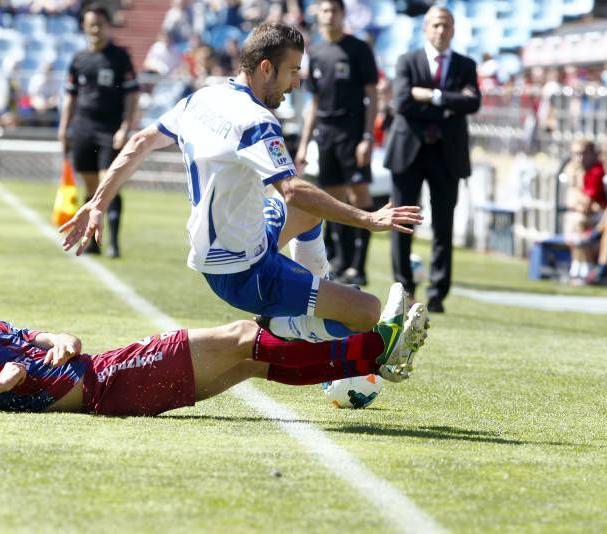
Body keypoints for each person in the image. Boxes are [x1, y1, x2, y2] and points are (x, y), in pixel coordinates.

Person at [60, 22, 424, 350]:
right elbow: (292, 189)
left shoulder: (203, 97)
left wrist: (97, 202)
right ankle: (287, 324)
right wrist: (369, 218)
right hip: (246, 273)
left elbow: (140, 142)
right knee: (366, 311)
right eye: (293, 71)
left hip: (216, 252)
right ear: (267, 67)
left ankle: (313, 295)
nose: (296, 83)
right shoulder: (256, 121)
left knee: (308, 212)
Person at [0, 266, 429, 413]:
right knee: (242, 335)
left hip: (102, 372)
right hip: (105, 385)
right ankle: (376, 348)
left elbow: (43, 335)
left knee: (251, 362)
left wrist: (61, 337)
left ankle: (375, 359)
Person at [383, 6, 481, 313]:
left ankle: (438, 292)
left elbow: (473, 102)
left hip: (446, 155)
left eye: (446, 25)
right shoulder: (407, 61)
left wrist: (432, 96)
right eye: (436, 25)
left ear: (453, 30)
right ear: (426, 28)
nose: (441, 30)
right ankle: (404, 288)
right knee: (402, 221)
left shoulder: (465, 65)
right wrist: (450, 106)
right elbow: (401, 102)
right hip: (408, 152)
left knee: (443, 225)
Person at [295, 0, 379, 286]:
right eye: (325, 10)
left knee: (360, 197)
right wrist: (305, 144)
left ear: (343, 14)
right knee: (332, 200)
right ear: (318, 14)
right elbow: (315, 103)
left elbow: (372, 95)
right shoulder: (316, 52)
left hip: (353, 132)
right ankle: (341, 263)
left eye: (335, 10)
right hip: (326, 134)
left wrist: (367, 137)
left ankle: (360, 265)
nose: (330, 15)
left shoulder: (358, 49)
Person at [57, 4, 140, 258]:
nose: (95, 29)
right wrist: (64, 127)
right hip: (83, 129)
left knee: (109, 183)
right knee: (92, 186)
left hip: (109, 130)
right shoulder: (79, 59)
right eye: (90, 25)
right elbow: (70, 96)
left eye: (99, 25)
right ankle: (92, 241)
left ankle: (113, 242)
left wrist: (125, 127)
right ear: (84, 26)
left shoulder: (119, 57)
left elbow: (132, 94)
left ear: (107, 26)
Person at [562, 139, 606, 282]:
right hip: (589, 215)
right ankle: (579, 267)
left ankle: (587, 269)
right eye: (576, 154)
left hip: (599, 216)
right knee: (575, 222)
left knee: (580, 223)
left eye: (584, 153)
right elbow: (573, 200)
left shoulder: (596, 171)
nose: (580, 158)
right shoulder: (574, 170)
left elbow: (590, 201)